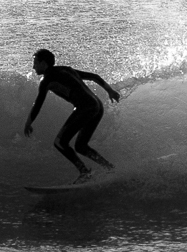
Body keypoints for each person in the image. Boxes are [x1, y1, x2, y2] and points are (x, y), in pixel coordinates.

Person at [24, 48, 121, 182]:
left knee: (59, 142)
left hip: (85, 107)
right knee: (80, 146)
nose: (33, 66)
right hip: (97, 106)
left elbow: (38, 104)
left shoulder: (46, 81)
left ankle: (84, 172)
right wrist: (110, 91)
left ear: (43, 63)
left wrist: (28, 123)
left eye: (35, 62)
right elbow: (94, 77)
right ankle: (110, 168)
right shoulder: (67, 69)